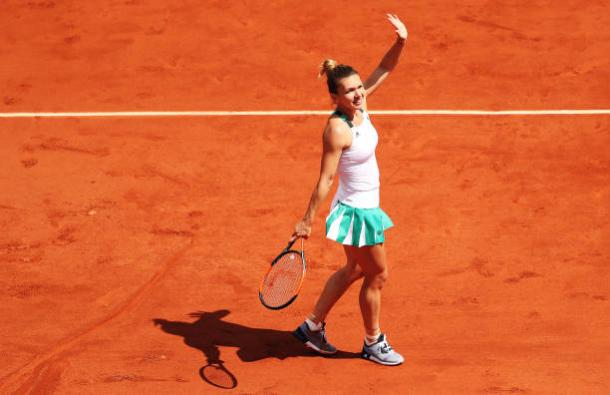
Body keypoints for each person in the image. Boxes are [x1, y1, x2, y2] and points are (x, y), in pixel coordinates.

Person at [290, 14, 408, 366]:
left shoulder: (361, 106)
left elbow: (384, 68)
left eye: (359, 87)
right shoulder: (337, 130)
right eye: (350, 90)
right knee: (378, 274)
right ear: (334, 97)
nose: (359, 93)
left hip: (363, 205)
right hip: (357, 212)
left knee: (355, 270)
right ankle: (373, 342)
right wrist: (306, 219)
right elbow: (325, 178)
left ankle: (311, 327)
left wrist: (401, 41)